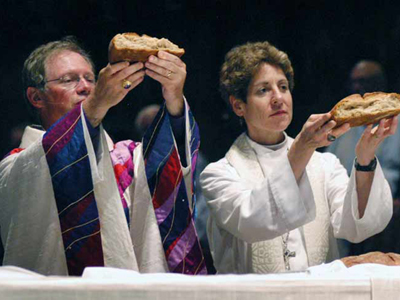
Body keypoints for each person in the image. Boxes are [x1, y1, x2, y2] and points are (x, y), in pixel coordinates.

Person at [0, 36, 206, 276]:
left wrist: (173, 96)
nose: (85, 86)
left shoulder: (126, 157)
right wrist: (96, 104)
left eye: (90, 78)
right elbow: (55, 161)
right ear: (36, 97)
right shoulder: (15, 167)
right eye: (69, 80)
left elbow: (171, 169)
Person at [200, 41, 396, 274]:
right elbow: (252, 222)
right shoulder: (219, 174)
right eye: (263, 90)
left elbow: (357, 227)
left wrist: (365, 158)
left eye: (283, 87)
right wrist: (303, 146)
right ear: (238, 105)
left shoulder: (324, 164)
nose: (277, 98)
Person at [326, 60, 400, 255]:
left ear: (379, 85)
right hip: (343, 208)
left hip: (391, 214)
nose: (358, 87)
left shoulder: (397, 124)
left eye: (364, 81)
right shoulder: (344, 124)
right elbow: (327, 165)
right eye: (354, 82)